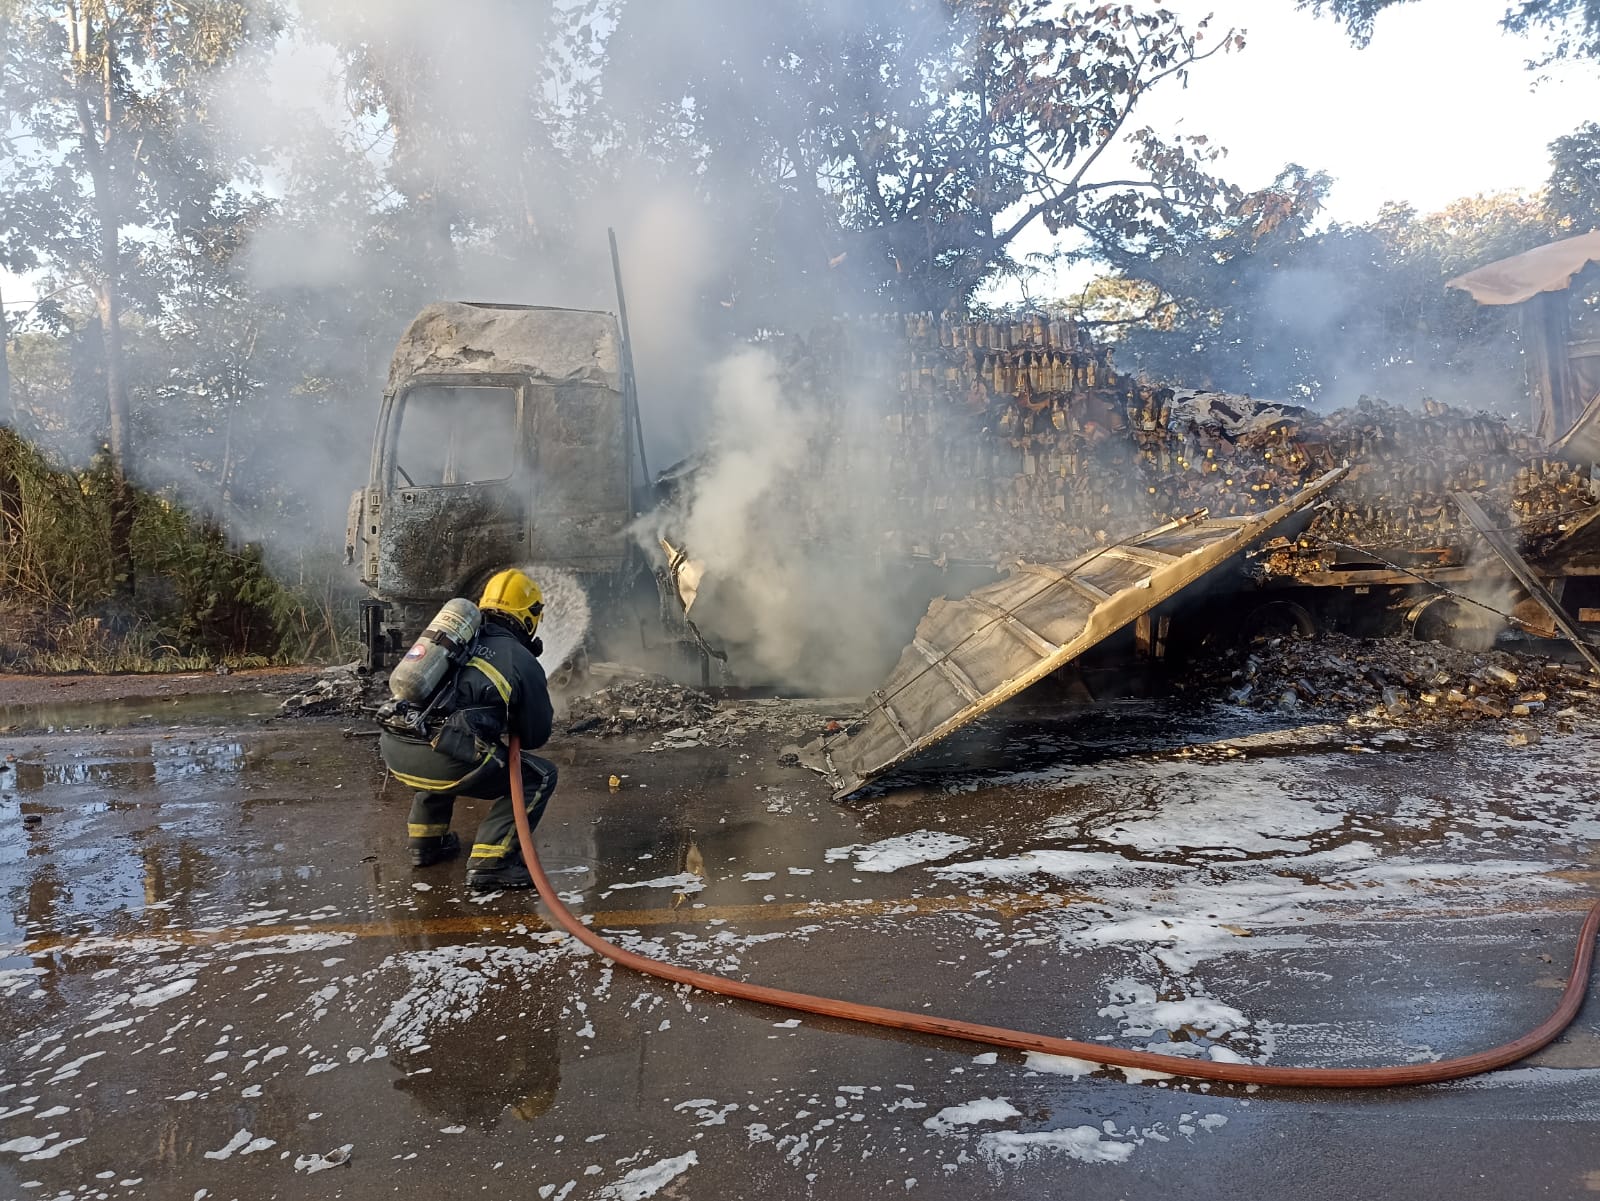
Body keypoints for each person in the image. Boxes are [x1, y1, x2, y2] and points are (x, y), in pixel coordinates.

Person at [378, 568, 559, 890]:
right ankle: (493, 862)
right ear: (529, 616)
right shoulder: (520, 659)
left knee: (439, 734)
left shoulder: (453, 640)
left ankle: (426, 844)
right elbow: (535, 737)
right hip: (441, 763)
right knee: (539, 776)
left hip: (394, 749)